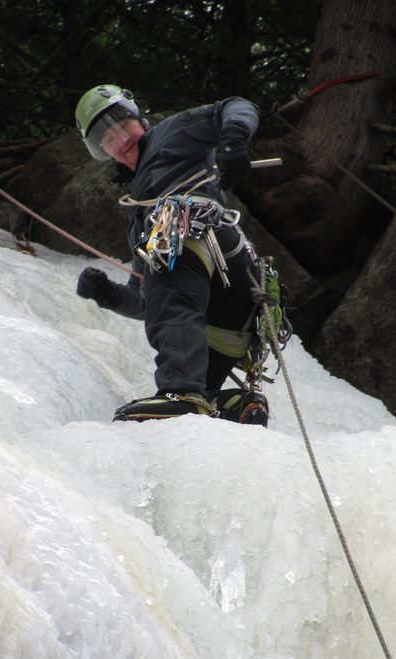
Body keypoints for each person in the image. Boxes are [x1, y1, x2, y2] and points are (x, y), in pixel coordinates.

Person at [74, 83, 276, 425]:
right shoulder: (139, 216)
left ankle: (180, 392)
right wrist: (108, 295)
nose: (120, 141)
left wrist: (233, 138)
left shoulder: (170, 133)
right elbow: (151, 301)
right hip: (234, 305)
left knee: (167, 259)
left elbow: (235, 103)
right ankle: (234, 405)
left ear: (138, 118)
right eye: (108, 140)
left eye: (123, 127)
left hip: (203, 239)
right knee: (204, 395)